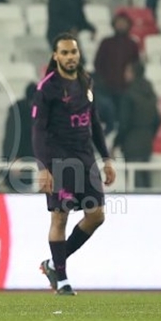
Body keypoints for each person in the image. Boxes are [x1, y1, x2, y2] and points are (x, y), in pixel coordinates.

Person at [35, 33, 116, 296]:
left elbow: (94, 123)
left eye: (74, 52)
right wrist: (43, 168)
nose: (71, 57)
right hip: (59, 160)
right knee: (60, 217)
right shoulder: (47, 87)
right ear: (56, 56)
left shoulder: (85, 80)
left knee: (96, 216)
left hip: (86, 159)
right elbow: (37, 131)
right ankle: (62, 280)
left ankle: (53, 264)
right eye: (65, 53)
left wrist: (106, 158)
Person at [112, 62, 161, 188]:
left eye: (127, 71)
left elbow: (124, 124)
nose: (125, 74)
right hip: (147, 141)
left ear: (133, 73)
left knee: (135, 183)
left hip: (131, 143)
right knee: (146, 181)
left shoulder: (128, 94)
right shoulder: (150, 93)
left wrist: (116, 143)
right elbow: (157, 119)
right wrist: (150, 134)